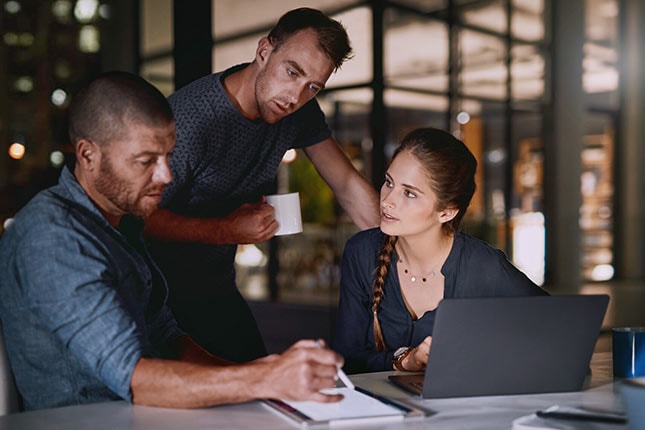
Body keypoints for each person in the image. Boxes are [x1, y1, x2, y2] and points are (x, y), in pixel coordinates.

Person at [0, 71, 344, 411]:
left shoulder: (124, 225)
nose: (166, 175)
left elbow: (167, 337)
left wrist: (262, 373)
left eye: (168, 156)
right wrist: (264, 380)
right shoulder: (53, 237)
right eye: (146, 161)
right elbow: (135, 378)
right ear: (88, 155)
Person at [144, 7, 380, 362]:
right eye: (291, 72)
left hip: (217, 288)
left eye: (312, 87)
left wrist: (402, 251)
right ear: (264, 51)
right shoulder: (190, 122)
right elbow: (141, 219)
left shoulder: (297, 111)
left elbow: (346, 183)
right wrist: (226, 230)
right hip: (155, 296)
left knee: (261, 396)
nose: (295, 97)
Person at [333, 128, 548, 374]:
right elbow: (345, 360)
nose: (387, 200)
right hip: (374, 409)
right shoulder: (361, 252)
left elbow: (556, 331)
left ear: (447, 212)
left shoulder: (482, 266)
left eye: (409, 193)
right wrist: (403, 360)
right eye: (388, 182)